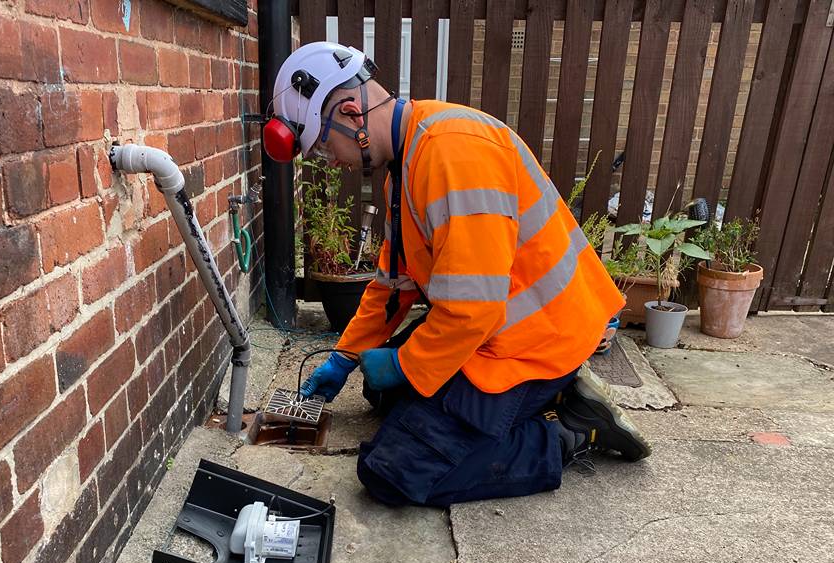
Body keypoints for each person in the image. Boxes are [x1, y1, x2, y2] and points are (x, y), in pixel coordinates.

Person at [262, 42, 650, 507]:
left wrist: (407, 364)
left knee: (392, 471)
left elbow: (472, 309)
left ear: (351, 112)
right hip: (503, 328)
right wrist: (345, 358)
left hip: (534, 342)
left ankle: (572, 431)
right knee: (379, 390)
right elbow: (392, 284)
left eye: (324, 146)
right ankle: (546, 400)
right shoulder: (405, 168)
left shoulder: (454, 156)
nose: (333, 161)